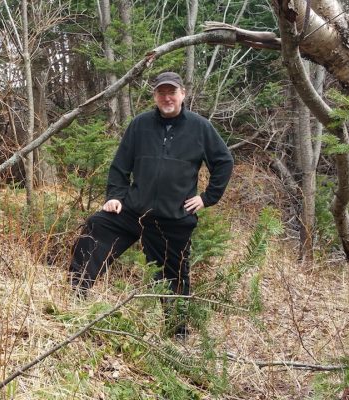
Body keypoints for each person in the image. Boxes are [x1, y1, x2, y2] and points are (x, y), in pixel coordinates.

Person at [68, 71, 234, 336]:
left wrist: (207, 198)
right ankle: (75, 295)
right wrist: (114, 196)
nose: (167, 97)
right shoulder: (140, 125)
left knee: (175, 277)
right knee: (98, 225)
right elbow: (120, 165)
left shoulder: (200, 127)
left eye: (172, 92)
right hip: (134, 210)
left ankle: (177, 333)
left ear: (183, 94)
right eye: (161, 92)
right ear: (154, 95)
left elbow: (224, 162)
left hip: (173, 218)